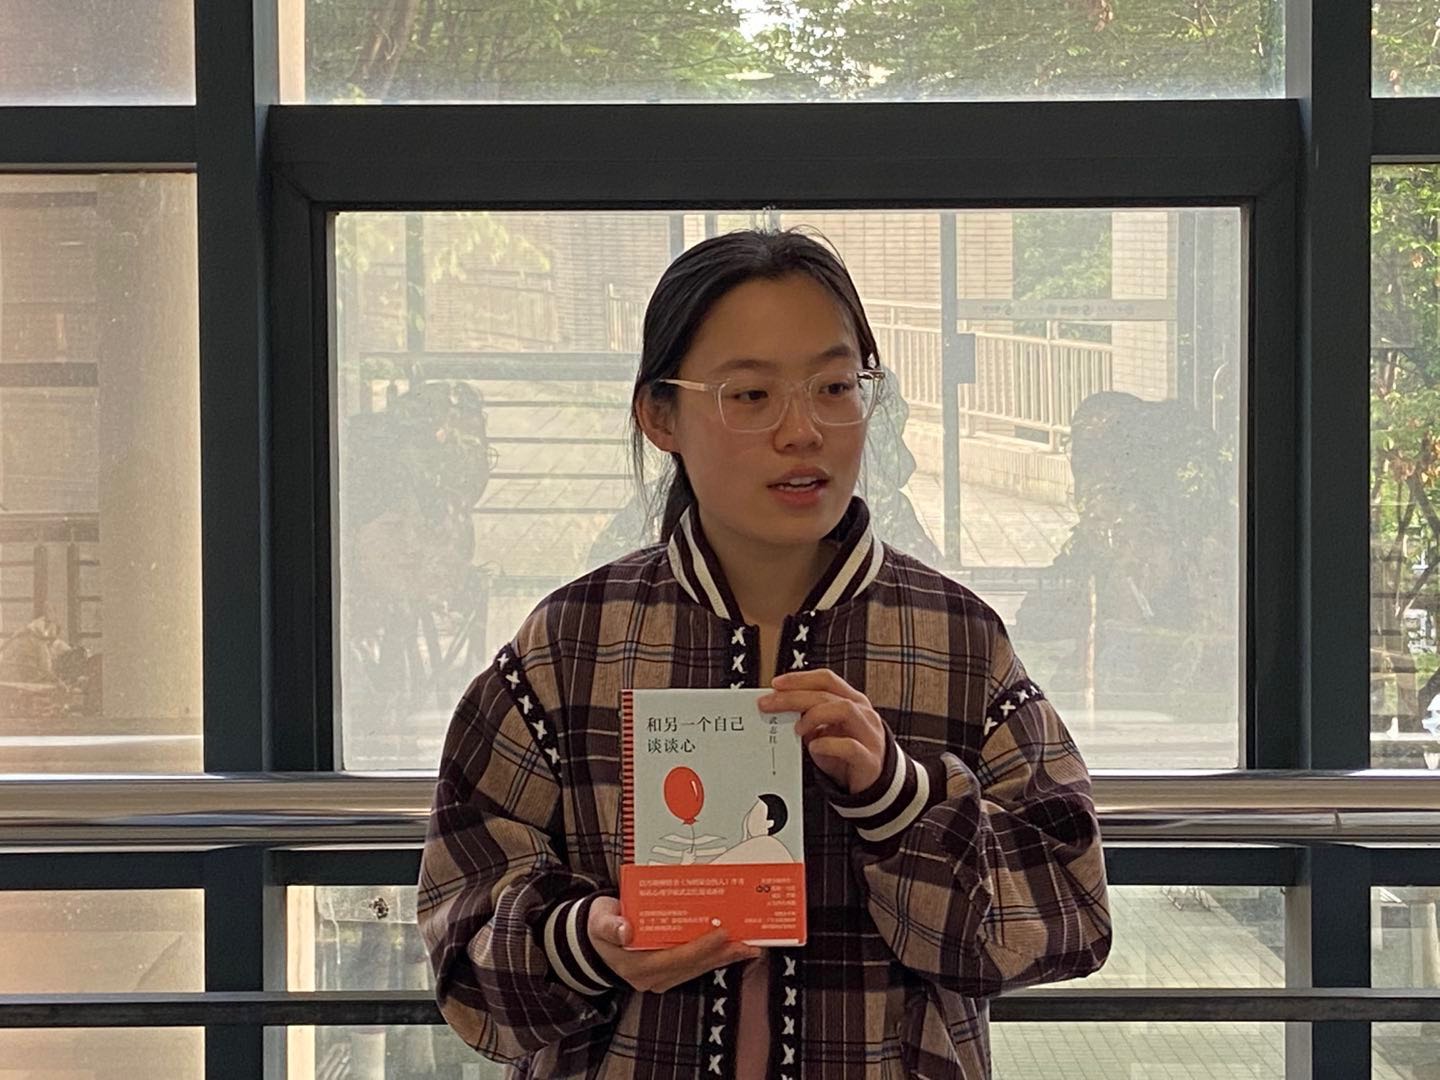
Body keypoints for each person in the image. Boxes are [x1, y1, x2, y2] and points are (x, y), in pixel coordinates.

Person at [419, 228, 1112, 1079]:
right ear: (659, 416)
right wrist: (586, 941)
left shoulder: (958, 639)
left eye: (835, 387)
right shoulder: (571, 642)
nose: (803, 431)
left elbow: (1070, 912)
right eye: (750, 395)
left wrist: (902, 800)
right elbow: (459, 936)